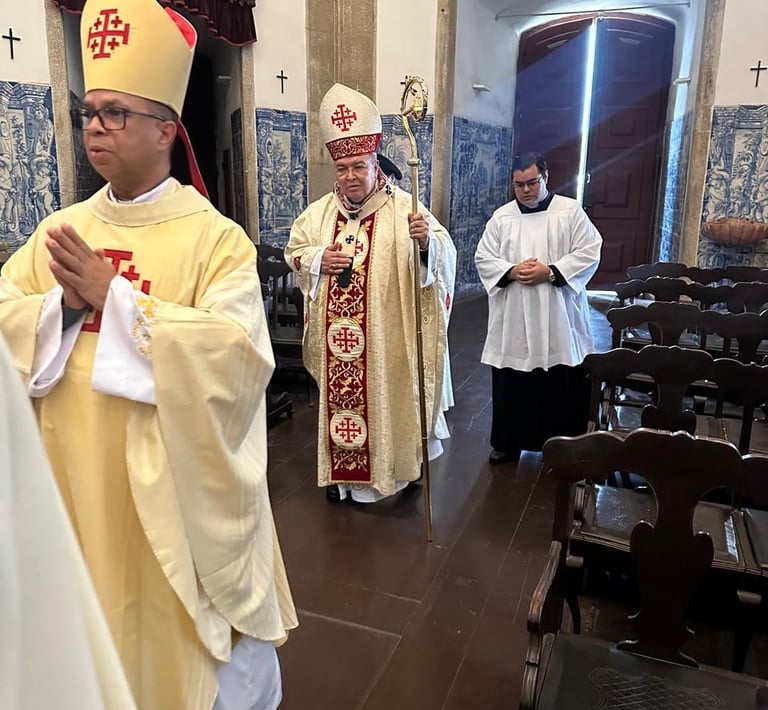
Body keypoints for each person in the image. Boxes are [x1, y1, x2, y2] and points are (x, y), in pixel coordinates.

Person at [0, 1, 297, 708]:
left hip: (175, 499)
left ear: (166, 130)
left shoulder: (214, 238)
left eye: (115, 113)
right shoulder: (61, 230)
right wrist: (61, 308)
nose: (95, 126)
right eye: (89, 112)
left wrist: (117, 298)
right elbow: (7, 315)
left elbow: (237, 356)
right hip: (72, 479)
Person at [285, 83, 456, 503]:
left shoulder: (405, 209)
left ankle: (399, 470)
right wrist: (318, 259)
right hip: (338, 345)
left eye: (358, 166)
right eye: (342, 168)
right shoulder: (319, 214)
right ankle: (343, 479)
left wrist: (425, 244)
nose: (350, 177)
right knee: (341, 406)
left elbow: (444, 252)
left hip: (387, 341)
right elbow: (295, 251)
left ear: (375, 163)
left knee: (389, 400)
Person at [0, 334, 136, 710]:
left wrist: (124, 308)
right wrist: (60, 309)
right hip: (56, 434)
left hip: (147, 454)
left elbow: (233, 348)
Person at [474, 152, 602, 464]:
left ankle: (563, 444)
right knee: (512, 377)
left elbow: (590, 251)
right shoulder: (502, 217)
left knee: (560, 374)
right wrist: (511, 270)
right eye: (519, 185)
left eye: (532, 183)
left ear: (546, 177)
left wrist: (552, 272)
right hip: (514, 313)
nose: (526, 190)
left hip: (558, 312)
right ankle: (508, 442)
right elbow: (484, 257)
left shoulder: (569, 211)